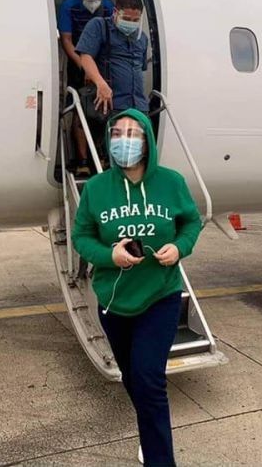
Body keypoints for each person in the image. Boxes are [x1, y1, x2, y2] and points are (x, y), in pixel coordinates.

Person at [72, 109, 202, 466]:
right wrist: (109, 255)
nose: (123, 140)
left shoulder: (171, 182)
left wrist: (180, 247)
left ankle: (160, 459)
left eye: (132, 133)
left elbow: (191, 222)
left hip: (160, 295)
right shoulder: (97, 189)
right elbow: (81, 236)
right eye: (117, 133)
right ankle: (149, 430)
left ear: (146, 140)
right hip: (114, 301)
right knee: (133, 377)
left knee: (149, 378)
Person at [57, 0, 115, 177]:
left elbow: (110, 38)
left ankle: (100, 156)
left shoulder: (108, 6)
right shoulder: (69, 5)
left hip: (100, 61)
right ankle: (82, 160)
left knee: (103, 110)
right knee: (80, 107)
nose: (92, 1)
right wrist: (84, 67)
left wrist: (97, 72)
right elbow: (66, 39)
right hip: (77, 59)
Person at [76, 0, 150, 120]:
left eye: (135, 20)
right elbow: (85, 57)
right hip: (110, 104)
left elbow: (141, 69)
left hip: (139, 107)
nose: (131, 23)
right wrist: (100, 83)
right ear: (115, 12)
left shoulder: (142, 38)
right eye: (127, 19)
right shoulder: (99, 26)